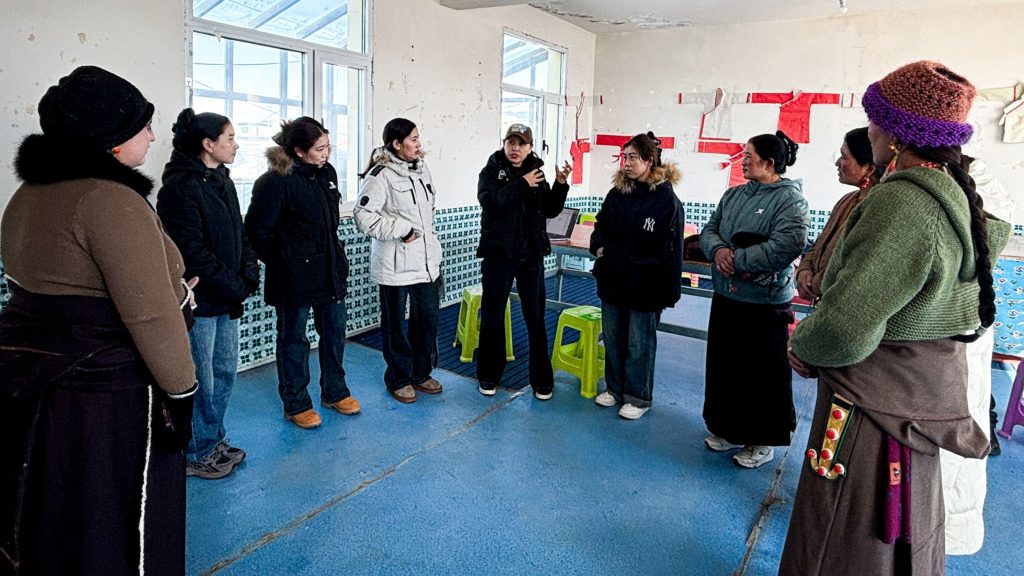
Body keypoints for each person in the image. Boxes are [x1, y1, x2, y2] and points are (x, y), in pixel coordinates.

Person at [780, 61, 1010, 576]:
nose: (869, 131)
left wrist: (803, 343)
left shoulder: (903, 204)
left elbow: (846, 326)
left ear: (898, 133)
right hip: (914, 402)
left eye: (874, 120)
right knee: (901, 530)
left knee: (847, 535)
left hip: (871, 406)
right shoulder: (950, 194)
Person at [0, 66, 195, 575]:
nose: (153, 135)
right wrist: (181, 395)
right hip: (107, 400)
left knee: (58, 514)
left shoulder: (28, 195)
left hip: (43, 388)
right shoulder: (109, 200)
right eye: (143, 125)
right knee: (113, 521)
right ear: (110, 140)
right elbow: (151, 315)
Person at [157, 109, 259, 479]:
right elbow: (191, 253)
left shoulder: (222, 180)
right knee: (202, 378)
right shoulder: (180, 189)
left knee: (224, 372)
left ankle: (213, 439)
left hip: (227, 298)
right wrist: (235, 285)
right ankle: (196, 451)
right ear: (208, 144)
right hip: (201, 304)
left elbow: (240, 232)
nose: (235, 145)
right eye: (230, 138)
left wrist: (249, 271)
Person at [699, 130, 809, 469]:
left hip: (765, 302)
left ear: (770, 163)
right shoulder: (733, 195)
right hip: (727, 294)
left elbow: (787, 245)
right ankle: (728, 428)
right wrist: (717, 250)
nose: (743, 160)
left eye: (749, 155)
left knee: (762, 373)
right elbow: (709, 229)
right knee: (726, 367)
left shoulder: (791, 200)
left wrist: (738, 261)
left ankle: (763, 440)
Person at [245, 116, 359, 429]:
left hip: (330, 271)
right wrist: (286, 260)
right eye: (319, 149)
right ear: (298, 150)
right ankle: (296, 403)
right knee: (294, 339)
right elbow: (257, 231)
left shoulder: (327, 174)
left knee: (334, 333)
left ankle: (335, 391)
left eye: (328, 147)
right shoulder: (274, 182)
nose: (326, 154)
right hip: (293, 277)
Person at [589, 132, 683, 420]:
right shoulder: (618, 194)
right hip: (614, 278)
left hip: (646, 284)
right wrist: (600, 247)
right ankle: (615, 389)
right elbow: (601, 224)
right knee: (615, 337)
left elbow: (672, 250)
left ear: (649, 160)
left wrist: (669, 291)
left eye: (632, 157)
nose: (626, 163)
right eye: (624, 157)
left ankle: (638, 397)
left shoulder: (666, 201)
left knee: (639, 343)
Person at [475, 124, 571, 399]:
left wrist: (561, 184)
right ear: (504, 144)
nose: (515, 148)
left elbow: (551, 209)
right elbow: (491, 202)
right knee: (493, 316)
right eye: (511, 142)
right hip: (498, 254)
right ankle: (489, 376)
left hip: (530, 255)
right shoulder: (491, 170)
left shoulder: (537, 173)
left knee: (536, 318)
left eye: (521, 143)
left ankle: (541, 379)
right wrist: (521, 184)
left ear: (530, 147)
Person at [354, 118, 444, 404]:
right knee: (396, 325)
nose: (419, 144)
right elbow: (363, 216)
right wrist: (401, 229)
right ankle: (398, 378)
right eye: (413, 139)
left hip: (425, 262)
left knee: (426, 321)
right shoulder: (381, 175)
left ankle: (421, 373)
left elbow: (427, 211)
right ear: (397, 143)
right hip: (394, 266)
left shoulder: (421, 170)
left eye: (419, 138)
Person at [795, 127, 878, 303]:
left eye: (844, 156)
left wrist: (814, 283)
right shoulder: (847, 200)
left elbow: (853, 266)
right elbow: (819, 243)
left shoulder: (877, 210)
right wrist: (803, 271)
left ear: (869, 168)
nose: (837, 163)